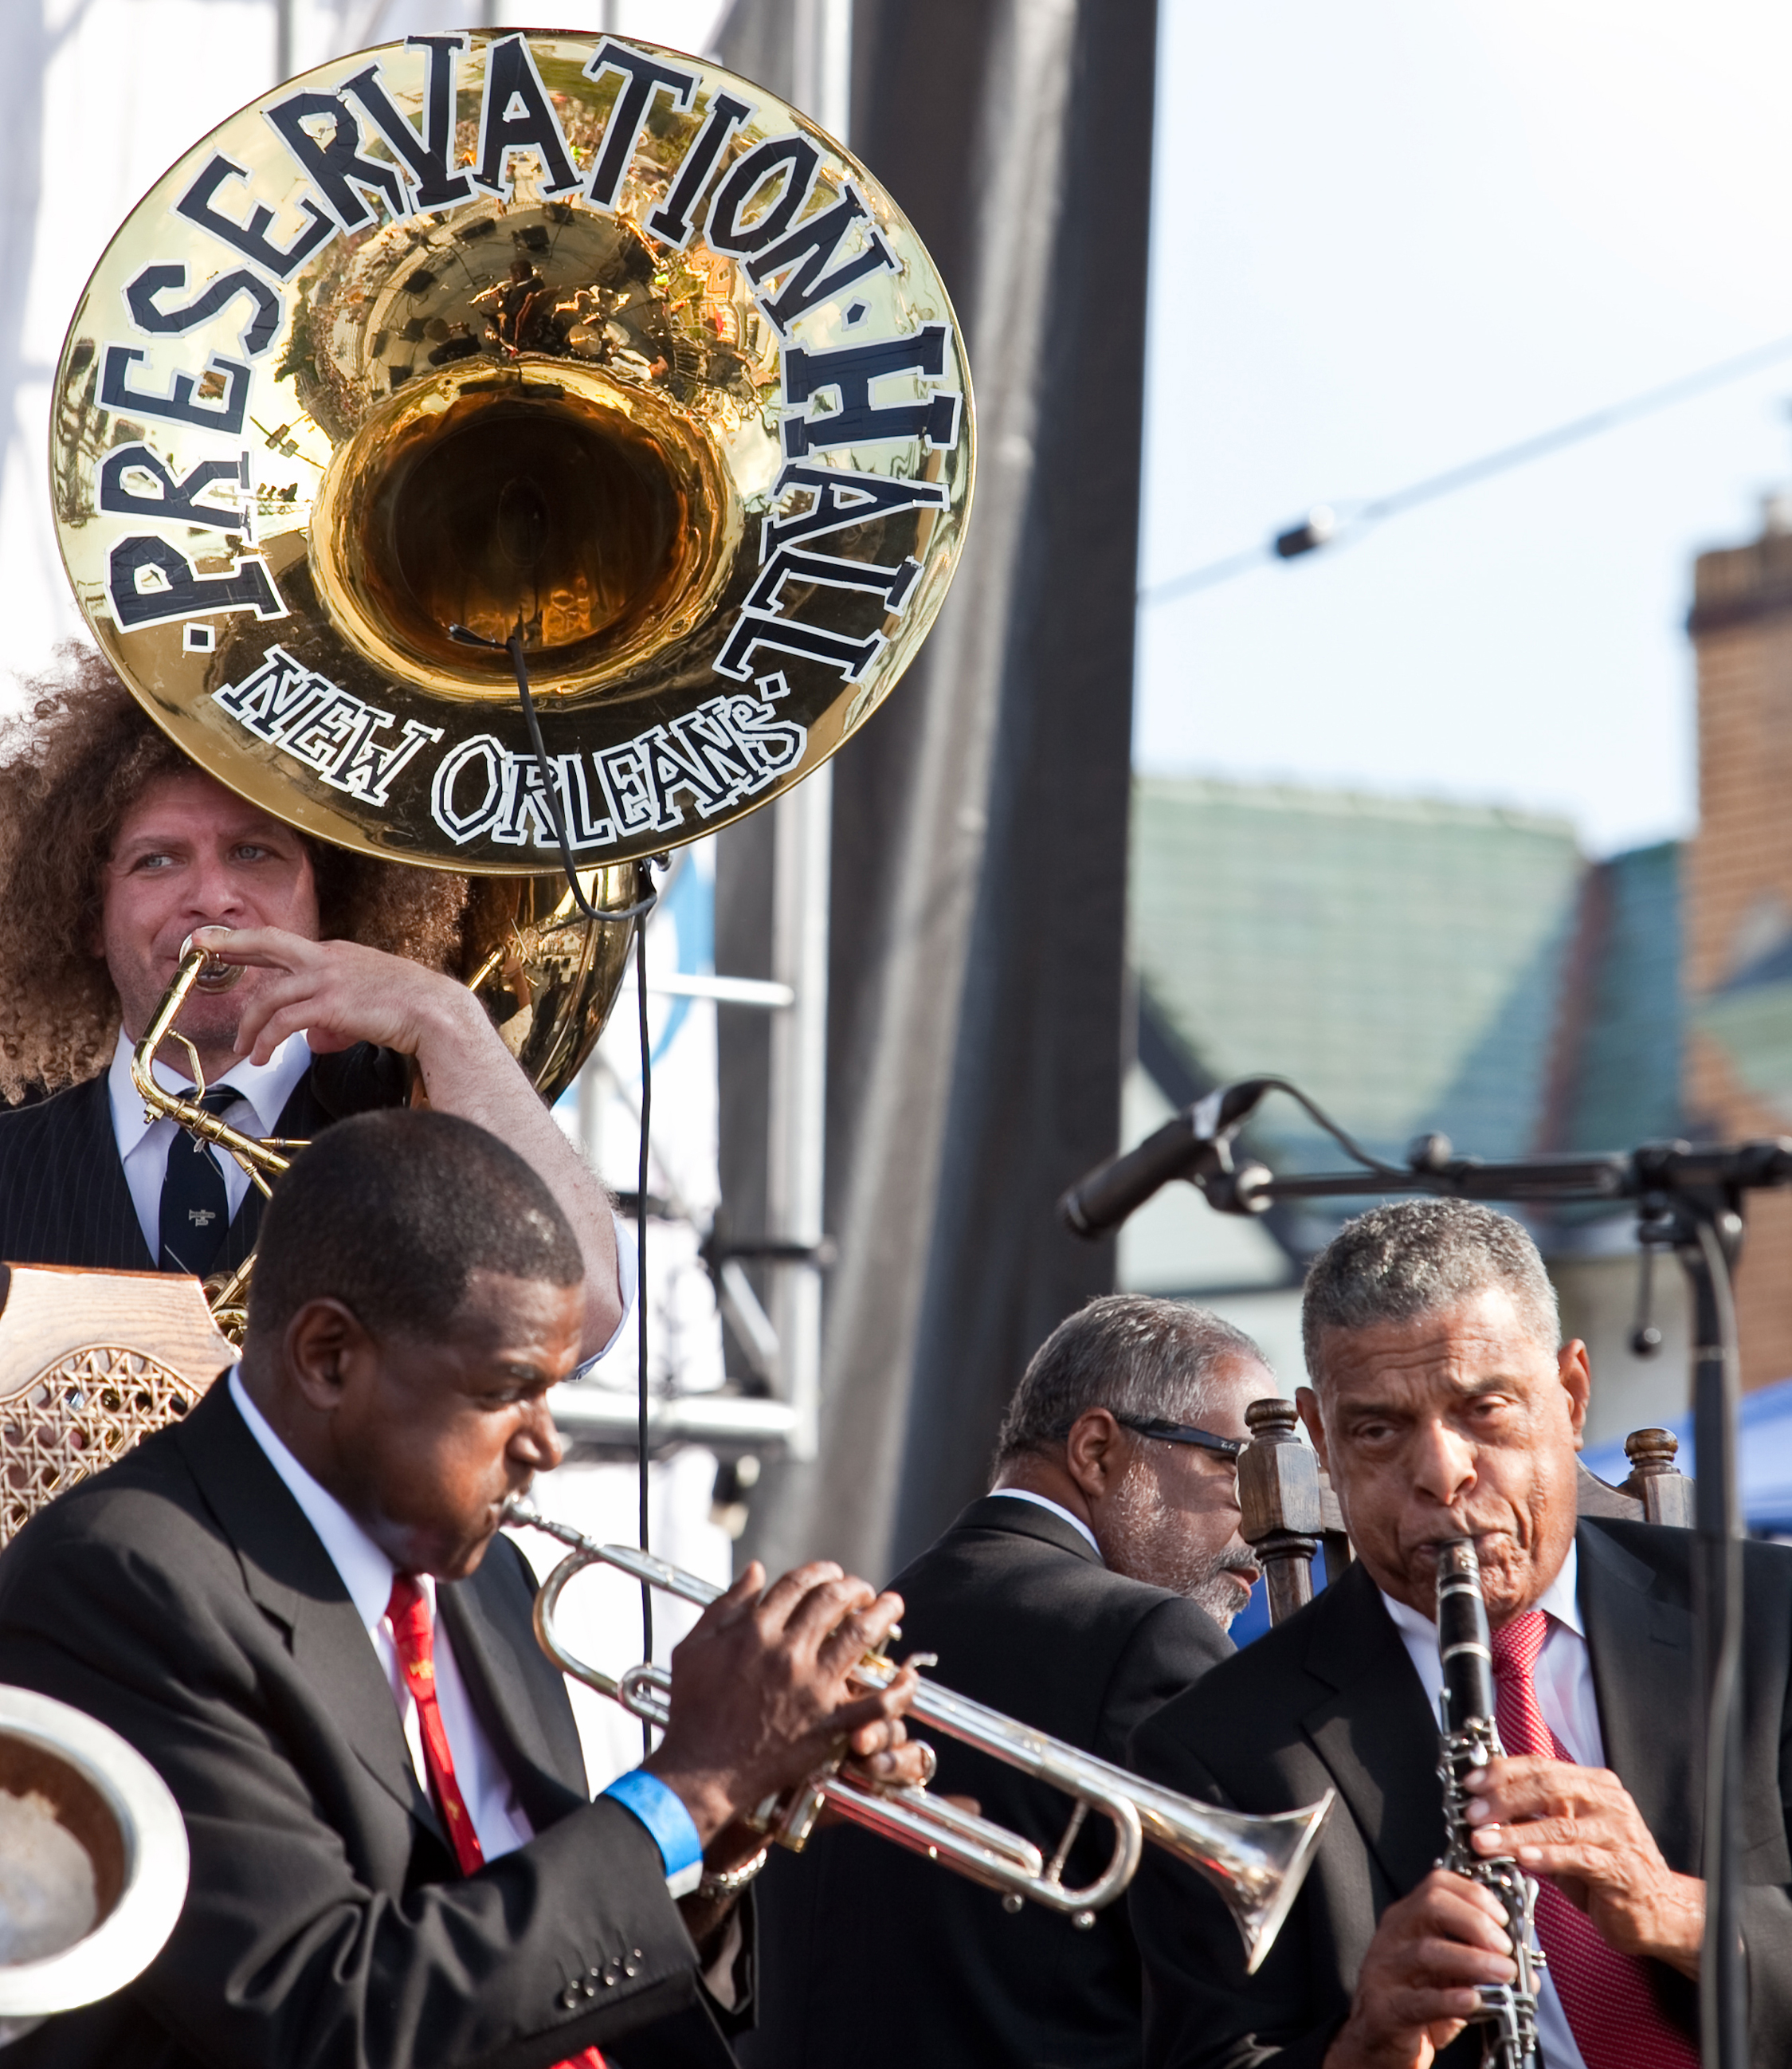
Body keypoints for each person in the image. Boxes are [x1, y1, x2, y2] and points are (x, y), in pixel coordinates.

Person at [0, 1109, 927, 2068]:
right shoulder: (124, 1578)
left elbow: (531, 1939)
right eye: (504, 1391)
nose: (547, 1443)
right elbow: (328, 2016)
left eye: (554, 1390)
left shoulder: (483, 1582)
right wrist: (690, 1785)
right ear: (329, 1357)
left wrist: (723, 1837)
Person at [1126, 1198, 1792, 2069]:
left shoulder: (1769, 1618)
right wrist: (1366, 2043)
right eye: (1377, 1430)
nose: (1441, 1474)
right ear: (1321, 1438)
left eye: (1484, 1409)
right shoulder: (1211, 1749)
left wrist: (1676, 1908)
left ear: (1570, 1394)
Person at [0, 647, 625, 1361]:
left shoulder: (418, 1129)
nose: (212, 899)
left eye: (254, 853)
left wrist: (446, 1019)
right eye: (159, 860)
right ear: (87, 916)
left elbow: (582, 1320)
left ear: (331, 901)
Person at [742, 1295, 1276, 2069]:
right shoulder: (1148, 1637)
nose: (1259, 1529)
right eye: (1238, 1471)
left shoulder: (869, 1625)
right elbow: (1228, 2016)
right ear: (1096, 1450)